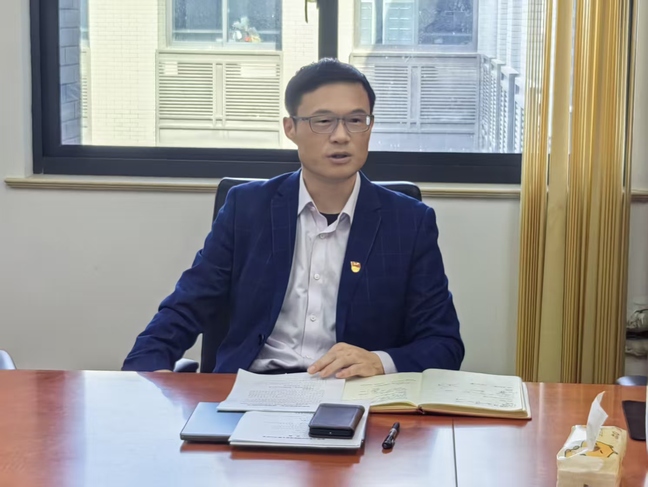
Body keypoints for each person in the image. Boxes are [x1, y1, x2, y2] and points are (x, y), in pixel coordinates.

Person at [122, 59, 464, 378]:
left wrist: (380, 362)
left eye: (356, 120)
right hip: (250, 389)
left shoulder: (409, 222)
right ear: (291, 128)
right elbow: (184, 309)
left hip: (353, 393)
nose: (341, 136)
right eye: (323, 121)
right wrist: (144, 375)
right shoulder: (247, 208)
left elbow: (444, 344)